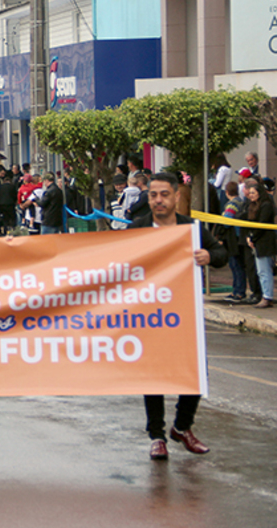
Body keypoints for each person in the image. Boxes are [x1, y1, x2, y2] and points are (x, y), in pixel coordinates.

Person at [130, 171, 226, 460]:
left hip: (185, 316)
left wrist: (209, 257)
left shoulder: (192, 228)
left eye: (164, 194)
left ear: (176, 196)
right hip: (150, 316)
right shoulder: (138, 229)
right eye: (153, 195)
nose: (158, 200)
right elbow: (111, 260)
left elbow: (221, 253)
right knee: (154, 377)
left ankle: (182, 427)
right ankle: (157, 436)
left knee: (195, 373)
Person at [245, 183, 275, 309]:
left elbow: (262, 224)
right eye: (250, 193)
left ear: (259, 193)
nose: (251, 195)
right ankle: (266, 295)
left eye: (253, 193)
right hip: (257, 241)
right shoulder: (253, 206)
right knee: (260, 270)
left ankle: (267, 297)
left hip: (265, 242)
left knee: (264, 271)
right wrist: (249, 237)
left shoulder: (266, 205)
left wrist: (253, 237)